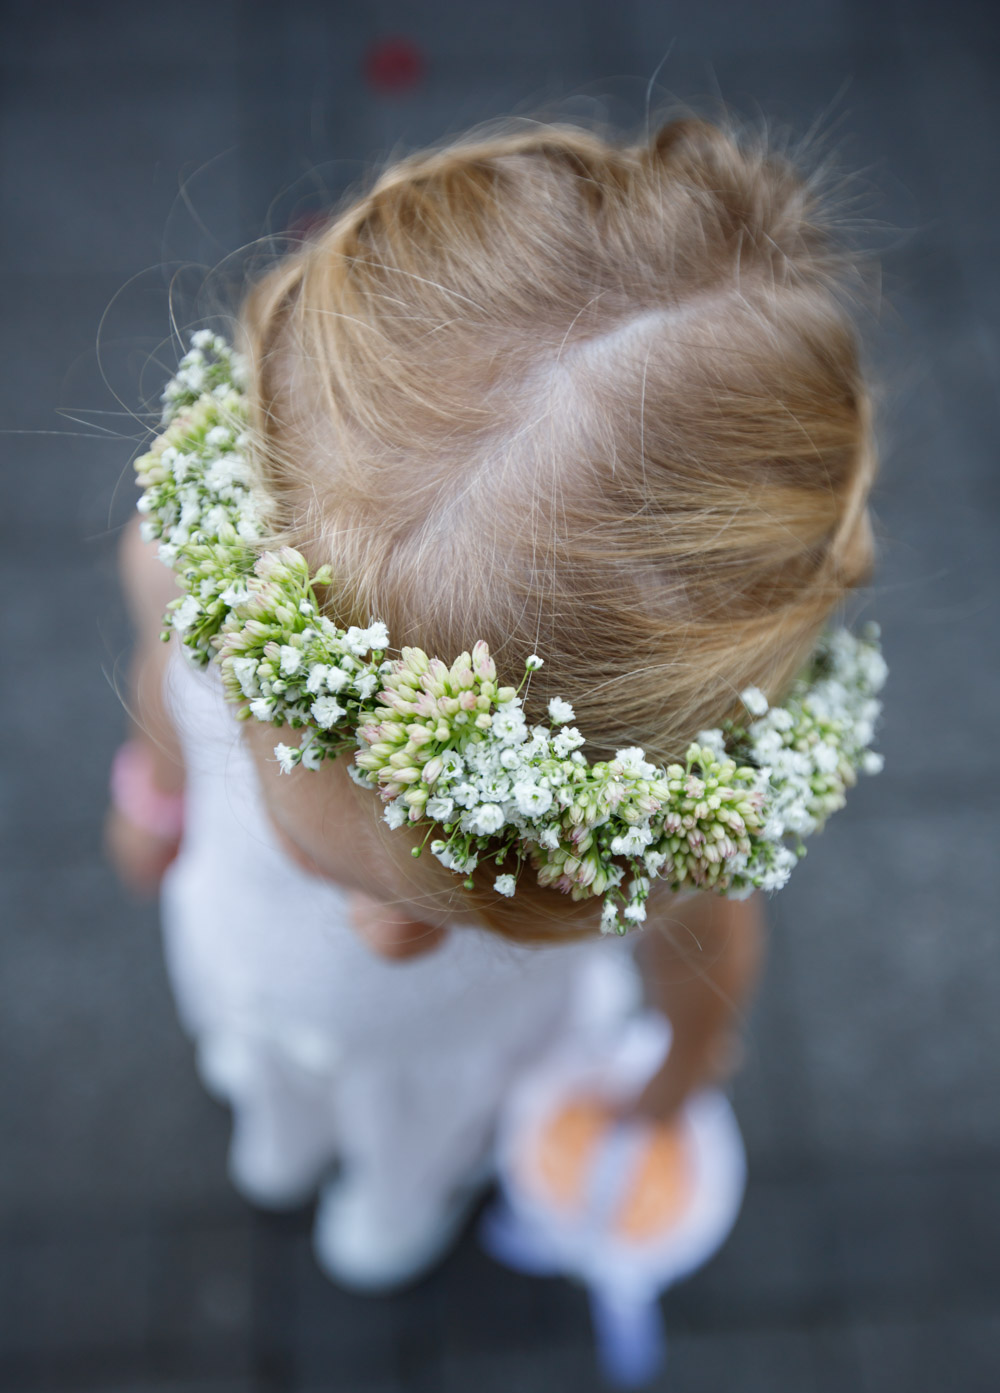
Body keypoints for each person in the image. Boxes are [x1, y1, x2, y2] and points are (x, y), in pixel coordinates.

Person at [105, 116, 881, 1292]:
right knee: (262, 1081)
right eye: (376, 882)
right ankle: (278, 1124)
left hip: (443, 1062)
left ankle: (400, 1199)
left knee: (407, 1145)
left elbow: (704, 965)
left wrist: (674, 1080)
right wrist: (157, 793)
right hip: (238, 946)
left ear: (599, 856)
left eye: (434, 902)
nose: (384, 934)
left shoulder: (662, 848)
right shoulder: (201, 584)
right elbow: (168, 678)